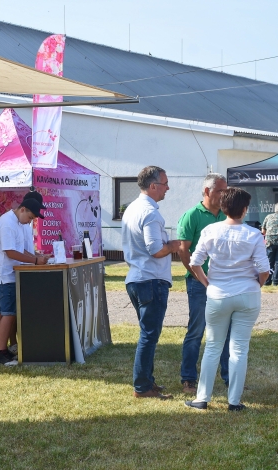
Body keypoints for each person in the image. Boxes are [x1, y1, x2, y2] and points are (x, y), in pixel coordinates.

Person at [185, 188, 270, 411]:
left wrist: (206, 284)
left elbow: (195, 263)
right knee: (239, 349)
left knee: (213, 346)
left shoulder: (210, 230)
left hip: (217, 294)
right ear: (244, 209)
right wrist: (255, 285)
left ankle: (202, 398)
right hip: (247, 295)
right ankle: (234, 402)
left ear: (223, 208)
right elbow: (264, 269)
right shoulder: (253, 234)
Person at [122, 166, 180, 399]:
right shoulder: (151, 213)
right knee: (149, 335)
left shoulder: (131, 208)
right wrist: (174, 246)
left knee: (148, 334)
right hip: (150, 279)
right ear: (153, 186)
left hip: (137, 278)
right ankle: (143, 387)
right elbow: (156, 250)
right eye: (165, 183)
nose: (168, 188)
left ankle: (147, 381)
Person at [176, 173, 230, 395]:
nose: (224, 195)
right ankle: (189, 378)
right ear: (207, 191)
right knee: (197, 331)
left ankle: (229, 377)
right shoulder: (192, 215)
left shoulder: (228, 215)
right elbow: (183, 249)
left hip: (224, 282)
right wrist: (199, 277)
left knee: (225, 332)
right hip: (199, 283)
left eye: (226, 191)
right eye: (220, 191)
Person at [0, 198, 50, 366]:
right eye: (30, 217)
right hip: (6, 275)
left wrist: (35, 257)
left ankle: (1, 350)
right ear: (22, 209)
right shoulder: (9, 223)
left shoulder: (14, 221)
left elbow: (17, 249)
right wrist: (35, 261)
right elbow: (10, 252)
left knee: (2, 313)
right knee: (8, 314)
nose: (30, 221)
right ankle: (0, 354)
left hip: (5, 274)